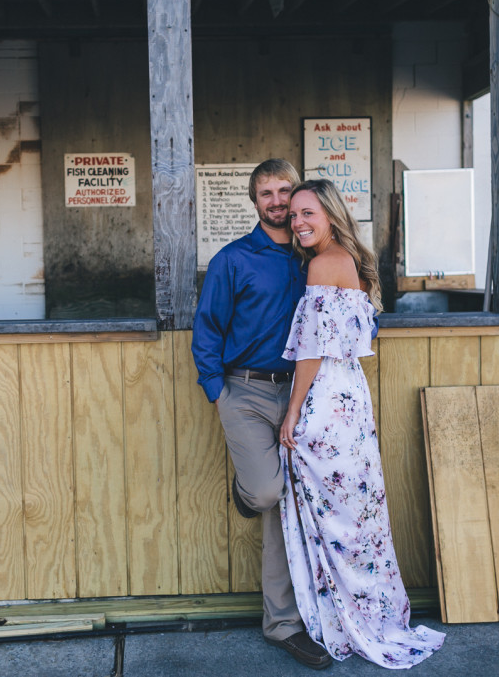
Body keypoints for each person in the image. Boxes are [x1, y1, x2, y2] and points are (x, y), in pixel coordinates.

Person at [279, 178, 444, 668]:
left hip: (327, 399)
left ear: (331, 215)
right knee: (355, 513)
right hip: (349, 396)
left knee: (336, 514)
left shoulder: (323, 265)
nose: (298, 222)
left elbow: (313, 348)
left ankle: (347, 620)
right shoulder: (345, 259)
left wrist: (293, 410)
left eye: (308, 213)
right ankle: (369, 613)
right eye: (294, 215)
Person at [192, 159, 332, 670]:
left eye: (284, 190)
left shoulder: (314, 256)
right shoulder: (233, 259)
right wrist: (218, 393)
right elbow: (207, 329)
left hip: (304, 396)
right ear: (254, 201)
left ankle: (284, 625)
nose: (276, 201)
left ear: (299, 196)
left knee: (286, 511)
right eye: (266, 192)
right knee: (268, 492)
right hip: (246, 392)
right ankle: (250, 488)